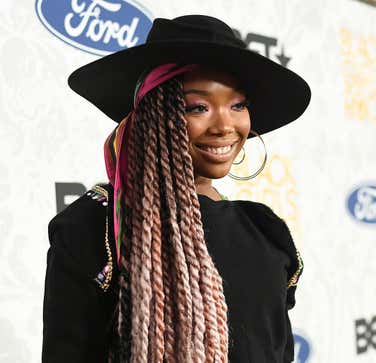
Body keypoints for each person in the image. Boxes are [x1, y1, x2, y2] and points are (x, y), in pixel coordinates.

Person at [42, 15, 310, 363]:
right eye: (198, 106)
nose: (225, 125)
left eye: (238, 105)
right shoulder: (99, 226)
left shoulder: (265, 230)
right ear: (156, 116)